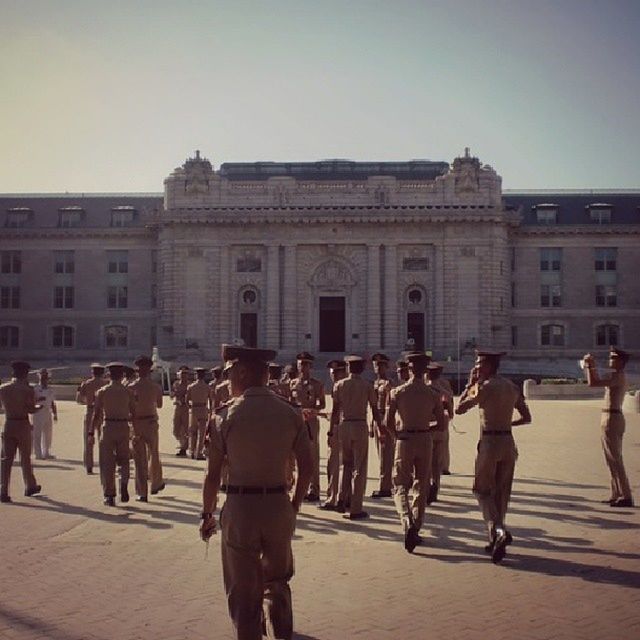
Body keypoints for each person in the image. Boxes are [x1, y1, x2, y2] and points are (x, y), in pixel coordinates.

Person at [200, 344, 313, 640]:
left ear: (242, 371)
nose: (227, 380)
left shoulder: (226, 415)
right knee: (278, 582)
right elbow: (308, 467)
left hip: (240, 509)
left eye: (229, 374)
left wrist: (207, 514)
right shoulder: (290, 412)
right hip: (278, 507)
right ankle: (282, 633)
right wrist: (295, 505)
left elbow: (212, 475)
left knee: (243, 590)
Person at [455, 350, 531, 563]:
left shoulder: (484, 388)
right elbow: (526, 417)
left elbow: (459, 409)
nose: (477, 367)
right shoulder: (512, 387)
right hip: (508, 442)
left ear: (489, 365)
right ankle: (495, 537)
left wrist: (470, 384)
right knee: (501, 493)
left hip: (489, 444)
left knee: (481, 490)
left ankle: (498, 530)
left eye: (479, 364)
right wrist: (507, 424)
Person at [386, 353, 445, 552]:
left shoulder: (397, 392)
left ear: (409, 369)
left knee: (399, 485)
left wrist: (398, 436)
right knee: (421, 484)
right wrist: (427, 430)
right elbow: (442, 424)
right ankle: (416, 527)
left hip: (404, 439)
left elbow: (387, 422)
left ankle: (406, 522)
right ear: (425, 371)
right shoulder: (434, 394)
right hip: (425, 439)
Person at [331, 355, 383, 520]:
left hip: (344, 425)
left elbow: (334, 410)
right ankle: (356, 508)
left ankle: (341, 498)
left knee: (345, 465)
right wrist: (380, 427)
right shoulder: (367, 386)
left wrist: (332, 430)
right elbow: (375, 409)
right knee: (359, 468)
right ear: (362, 369)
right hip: (360, 424)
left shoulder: (339, 385)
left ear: (347, 368)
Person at [583, 348, 634, 507]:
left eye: (613, 358)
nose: (610, 360)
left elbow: (593, 383)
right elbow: (595, 380)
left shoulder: (619, 376)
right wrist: (588, 367)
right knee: (610, 458)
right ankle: (616, 493)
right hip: (609, 416)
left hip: (613, 417)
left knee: (616, 458)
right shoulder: (615, 375)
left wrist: (590, 366)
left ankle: (626, 496)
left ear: (620, 361)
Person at [91, 362, 135, 506]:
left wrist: (91, 432)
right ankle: (123, 482)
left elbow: (96, 414)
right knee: (124, 459)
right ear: (122, 375)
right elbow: (134, 414)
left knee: (107, 463)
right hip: (123, 426)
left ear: (109, 375)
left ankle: (109, 494)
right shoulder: (128, 392)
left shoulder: (102, 391)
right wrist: (136, 433)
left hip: (108, 426)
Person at [0, 361, 42, 502]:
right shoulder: (27, 389)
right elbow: (30, 409)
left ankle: (3, 489)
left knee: (6, 459)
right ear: (25, 374)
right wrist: (39, 407)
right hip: (22, 423)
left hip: (9, 422)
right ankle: (29, 485)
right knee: (25, 458)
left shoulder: (3, 388)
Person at [289, 352, 325, 502]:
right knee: (296, 455)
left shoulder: (317, 384)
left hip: (310, 422)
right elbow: (290, 401)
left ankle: (314, 489)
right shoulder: (293, 383)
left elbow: (322, 404)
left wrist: (313, 411)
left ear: (310, 366)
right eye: (300, 364)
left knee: (312, 455)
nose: (302, 367)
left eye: (305, 364)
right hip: (296, 421)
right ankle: (300, 488)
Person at [129, 355, 165, 502]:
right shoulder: (156, 387)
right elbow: (160, 405)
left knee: (139, 458)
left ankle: (142, 492)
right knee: (154, 454)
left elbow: (127, 408)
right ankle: (156, 483)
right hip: (151, 422)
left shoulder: (130, 388)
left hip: (137, 423)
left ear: (137, 370)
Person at [320, 359, 348, 511]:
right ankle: (346, 497)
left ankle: (333, 498)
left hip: (338, 428)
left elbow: (337, 412)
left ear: (344, 372)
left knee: (334, 463)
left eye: (336, 372)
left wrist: (330, 430)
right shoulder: (354, 385)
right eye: (332, 373)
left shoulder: (338, 387)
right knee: (348, 464)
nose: (333, 376)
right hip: (351, 427)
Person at [426, 362, 454, 502]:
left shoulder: (424, 390)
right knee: (437, 463)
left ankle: (426, 489)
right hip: (441, 429)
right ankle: (435, 487)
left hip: (427, 430)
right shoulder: (445, 393)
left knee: (426, 461)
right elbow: (451, 413)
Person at [371, 353, 394, 499]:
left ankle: (385, 487)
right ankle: (388, 482)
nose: (378, 368)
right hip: (376, 418)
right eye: (376, 365)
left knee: (386, 455)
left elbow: (389, 405)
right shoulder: (375, 383)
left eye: (381, 365)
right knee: (381, 454)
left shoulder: (388, 384)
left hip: (383, 419)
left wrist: (383, 424)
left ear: (386, 367)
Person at [77, 363, 107, 474]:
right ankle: (104, 463)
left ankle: (89, 465)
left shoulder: (87, 383)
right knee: (103, 440)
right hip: (103, 411)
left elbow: (79, 399)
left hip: (90, 410)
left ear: (92, 372)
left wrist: (88, 402)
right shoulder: (105, 383)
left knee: (88, 439)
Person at [32, 368, 58, 460]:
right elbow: (31, 401)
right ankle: (38, 453)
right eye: (43, 377)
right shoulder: (35, 388)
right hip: (38, 411)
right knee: (37, 433)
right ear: (39, 377)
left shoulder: (50, 389)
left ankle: (46, 452)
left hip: (47, 412)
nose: (44, 379)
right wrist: (39, 400)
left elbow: (52, 402)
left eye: (46, 377)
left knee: (48, 433)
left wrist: (55, 413)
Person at [187, 367, 210, 460]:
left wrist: (191, 408)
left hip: (194, 408)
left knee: (192, 432)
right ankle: (199, 452)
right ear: (204, 376)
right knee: (202, 433)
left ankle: (192, 451)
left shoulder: (191, 387)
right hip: (203, 408)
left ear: (196, 375)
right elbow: (211, 399)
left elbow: (186, 400)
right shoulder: (207, 387)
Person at [171, 366, 191, 457]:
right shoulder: (176, 384)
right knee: (176, 429)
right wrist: (174, 394)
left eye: (185, 374)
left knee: (186, 429)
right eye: (181, 374)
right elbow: (172, 395)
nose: (183, 376)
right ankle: (182, 443)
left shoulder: (189, 385)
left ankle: (184, 448)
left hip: (186, 408)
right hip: (177, 407)